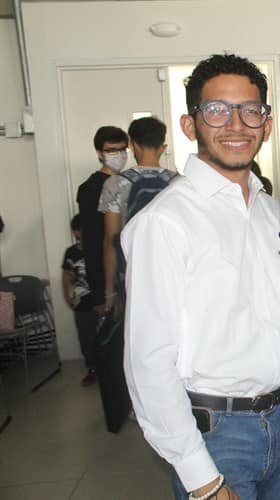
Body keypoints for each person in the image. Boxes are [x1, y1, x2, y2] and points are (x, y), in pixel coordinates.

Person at [121, 54, 280, 500]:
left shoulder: (270, 211)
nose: (236, 124)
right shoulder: (164, 221)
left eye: (250, 110)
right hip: (218, 435)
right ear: (189, 124)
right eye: (217, 110)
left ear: (267, 124)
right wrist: (200, 476)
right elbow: (148, 359)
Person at [99, 116, 175, 312]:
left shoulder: (115, 184)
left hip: (132, 276)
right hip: (173, 272)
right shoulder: (179, 184)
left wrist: (109, 291)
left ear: (132, 144)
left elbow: (110, 239)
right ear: (163, 146)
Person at [75, 125, 128, 385]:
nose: (118, 155)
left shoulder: (128, 182)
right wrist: (102, 290)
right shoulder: (91, 188)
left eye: (122, 149)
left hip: (127, 273)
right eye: (111, 150)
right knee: (112, 347)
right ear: (99, 152)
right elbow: (95, 241)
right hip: (105, 277)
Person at [61, 214, 98, 386]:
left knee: (103, 335)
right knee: (86, 337)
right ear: (76, 233)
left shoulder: (98, 249)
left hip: (100, 300)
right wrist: (67, 296)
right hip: (81, 303)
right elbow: (66, 276)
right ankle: (92, 368)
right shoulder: (71, 253)